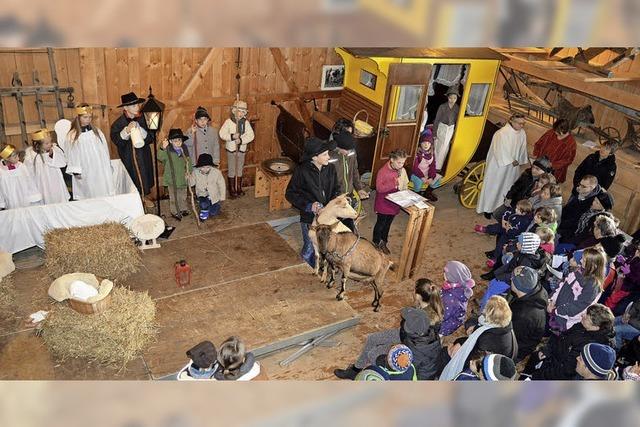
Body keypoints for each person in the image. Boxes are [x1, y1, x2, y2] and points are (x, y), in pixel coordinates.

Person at [335, 279, 445, 380]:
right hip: (407, 336)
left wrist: (393, 348)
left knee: (373, 354)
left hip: (410, 344)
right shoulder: (427, 308)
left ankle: (372, 374)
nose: (412, 291)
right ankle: (355, 370)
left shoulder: (425, 321)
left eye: (414, 290)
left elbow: (413, 349)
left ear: (418, 295)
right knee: (372, 338)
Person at [285, 137, 339, 268]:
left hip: (327, 217)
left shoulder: (330, 169)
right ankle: (303, 271)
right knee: (310, 247)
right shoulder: (302, 171)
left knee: (325, 246)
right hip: (309, 218)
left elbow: (336, 189)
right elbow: (290, 193)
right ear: (314, 157)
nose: (328, 157)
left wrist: (334, 202)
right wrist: (309, 206)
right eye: (325, 154)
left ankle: (318, 269)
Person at [524, 303, 615, 380]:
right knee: (534, 357)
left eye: (586, 318)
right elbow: (561, 336)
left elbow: (566, 370)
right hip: (552, 356)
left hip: (555, 371)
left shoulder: (590, 347)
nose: (582, 315)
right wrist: (547, 349)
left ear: (596, 327)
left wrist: (538, 376)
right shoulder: (582, 326)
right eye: (585, 313)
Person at [440, 296, 517, 380]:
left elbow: (471, 362)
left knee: (444, 353)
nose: (483, 308)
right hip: (487, 358)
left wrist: (456, 351)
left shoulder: (486, 341)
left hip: (479, 369)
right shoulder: (504, 326)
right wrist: (460, 342)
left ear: (489, 314)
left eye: (486, 307)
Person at [476, 113, 529, 218]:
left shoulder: (522, 133)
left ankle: (501, 208)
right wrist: (511, 160)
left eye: (523, 123)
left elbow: (522, 148)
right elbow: (499, 150)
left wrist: (520, 159)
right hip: (498, 167)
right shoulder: (501, 133)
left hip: (512, 168)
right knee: (494, 187)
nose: (522, 126)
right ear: (512, 121)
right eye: (520, 123)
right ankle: (488, 209)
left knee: (507, 187)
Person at [110, 92, 154, 207]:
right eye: (134, 106)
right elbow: (117, 141)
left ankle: (144, 197)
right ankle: (136, 199)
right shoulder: (118, 124)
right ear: (125, 107)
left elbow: (150, 138)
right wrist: (126, 131)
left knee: (145, 175)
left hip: (143, 154)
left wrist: (141, 130)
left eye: (138, 105)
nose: (137, 107)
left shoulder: (144, 119)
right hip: (129, 156)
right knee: (132, 177)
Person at [548, 246, 607, 333]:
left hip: (564, 320)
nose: (580, 261)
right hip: (555, 310)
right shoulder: (578, 271)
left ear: (593, 265)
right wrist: (552, 300)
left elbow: (579, 307)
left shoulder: (593, 285)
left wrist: (556, 311)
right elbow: (561, 286)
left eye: (583, 260)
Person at [66, 105, 115, 200]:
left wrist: (106, 165)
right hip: (85, 168)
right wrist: (76, 170)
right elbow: (71, 154)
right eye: (85, 117)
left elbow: (104, 148)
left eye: (90, 117)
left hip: (99, 166)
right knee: (90, 190)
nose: (88, 120)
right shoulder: (72, 135)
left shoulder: (96, 131)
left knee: (102, 187)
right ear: (78, 117)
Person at [328, 130, 368, 231]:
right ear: (338, 147)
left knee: (348, 224)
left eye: (351, 149)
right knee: (335, 226)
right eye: (347, 150)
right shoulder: (329, 157)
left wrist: (359, 188)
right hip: (335, 197)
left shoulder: (352, 153)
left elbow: (354, 171)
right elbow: (326, 180)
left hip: (348, 194)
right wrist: (335, 196)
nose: (349, 152)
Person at [372, 148, 409, 254]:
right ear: (392, 159)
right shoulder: (382, 171)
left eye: (403, 162)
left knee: (388, 224)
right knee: (381, 223)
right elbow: (379, 188)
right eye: (399, 162)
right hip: (383, 203)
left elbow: (404, 183)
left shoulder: (400, 169)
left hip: (394, 202)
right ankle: (376, 241)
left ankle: (384, 241)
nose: (401, 165)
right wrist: (393, 184)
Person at [507, 266, 548, 361]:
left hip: (516, 348)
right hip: (522, 334)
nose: (510, 279)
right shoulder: (536, 290)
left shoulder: (524, 315)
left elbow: (511, 337)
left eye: (512, 279)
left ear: (518, 286)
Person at [219, 99, 254, 198]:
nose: (241, 114)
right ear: (234, 111)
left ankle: (238, 187)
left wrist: (241, 140)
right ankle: (231, 188)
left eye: (243, 112)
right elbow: (222, 134)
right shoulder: (229, 122)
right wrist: (232, 136)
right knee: (232, 169)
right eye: (239, 111)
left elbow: (251, 135)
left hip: (241, 151)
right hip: (232, 151)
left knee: (239, 169)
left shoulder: (245, 123)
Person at [24, 128, 69, 204]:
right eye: (47, 143)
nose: (50, 144)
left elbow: (62, 163)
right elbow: (28, 173)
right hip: (42, 184)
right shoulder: (31, 156)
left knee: (58, 199)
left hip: (56, 182)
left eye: (50, 142)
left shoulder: (55, 150)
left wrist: (51, 155)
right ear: (37, 145)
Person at [157, 128, 193, 221]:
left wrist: (189, 171)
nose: (177, 142)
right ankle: (174, 211)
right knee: (173, 197)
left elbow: (188, 161)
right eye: (175, 141)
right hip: (172, 179)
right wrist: (162, 148)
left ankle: (183, 209)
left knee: (183, 195)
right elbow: (160, 157)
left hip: (182, 177)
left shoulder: (184, 149)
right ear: (170, 141)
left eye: (179, 140)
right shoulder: (168, 151)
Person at [557, 175, 602, 244]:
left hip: (570, 233)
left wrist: (559, 228)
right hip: (563, 224)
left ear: (591, 188)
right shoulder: (580, 193)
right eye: (579, 184)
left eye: (583, 186)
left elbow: (577, 221)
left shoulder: (592, 203)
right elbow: (568, 208)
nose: (579, 187)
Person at [532, 118, 576, 183]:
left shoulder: (571, 143)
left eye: (557, 131)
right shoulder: (551, 132)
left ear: (563, 130)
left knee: (547, 185)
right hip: (541, 163)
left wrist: (553, 164)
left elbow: (568, 160)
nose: (554, 132)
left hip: (555, 171)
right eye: (554, 130)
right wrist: (536, 153)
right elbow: (539, 143)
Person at [0, 144, 42, 209]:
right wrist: (2, 203)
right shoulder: (1, 171)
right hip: (11, 199)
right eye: (15, 157)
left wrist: (34, 195)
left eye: (18, 155)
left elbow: (29, 181)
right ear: (6, 158)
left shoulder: (21, 167)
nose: (18, 158)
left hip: (24, 196)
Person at [440, 261, 476, 336]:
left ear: (452, 277)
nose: (444, 274)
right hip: (456, 315)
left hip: (449, 323)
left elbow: (445, 316)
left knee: (437, 331)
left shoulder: (450, 298)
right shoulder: (460, 286)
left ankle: (439, 339)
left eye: (446, 273)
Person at [190, 153, 225, 221]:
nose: (205, 169)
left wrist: (222, 197)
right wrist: (188, 178)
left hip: (214, 195)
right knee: (203, 204)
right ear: (199, 166)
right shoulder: (195, 172)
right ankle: (204, 208)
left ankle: (214, 205)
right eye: (203, 167)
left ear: (211, 166)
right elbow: (191, 184)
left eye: (208, 167)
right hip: (202, 194)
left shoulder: (217, 172)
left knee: (213, 213)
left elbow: (222, 185)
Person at [433, 85, 460, 173]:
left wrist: (454, 136)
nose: (452, 100)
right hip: (442, 127)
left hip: (450, 129)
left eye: (454, 98)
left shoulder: (457, 108)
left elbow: (457, 122)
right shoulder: (442, 107)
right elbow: (436, 120)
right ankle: (434, 166)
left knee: (445, 147)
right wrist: (434, 133)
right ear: (447, 97)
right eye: (450, 98)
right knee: (438, 146)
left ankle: (440, 167)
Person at [411, 125, 438, 202]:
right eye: (424, 143)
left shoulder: (431, 153)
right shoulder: (417, 153)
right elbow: (414, 167)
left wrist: (431, 177)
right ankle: (417, 194)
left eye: (428, 143)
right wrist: (422, 177)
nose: (426, 145)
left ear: (431, 145)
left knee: (437, 180)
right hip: (416, 173)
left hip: (426, 173)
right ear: (420, 144)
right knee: (419, 183)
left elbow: (433, 166)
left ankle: (427, 192)